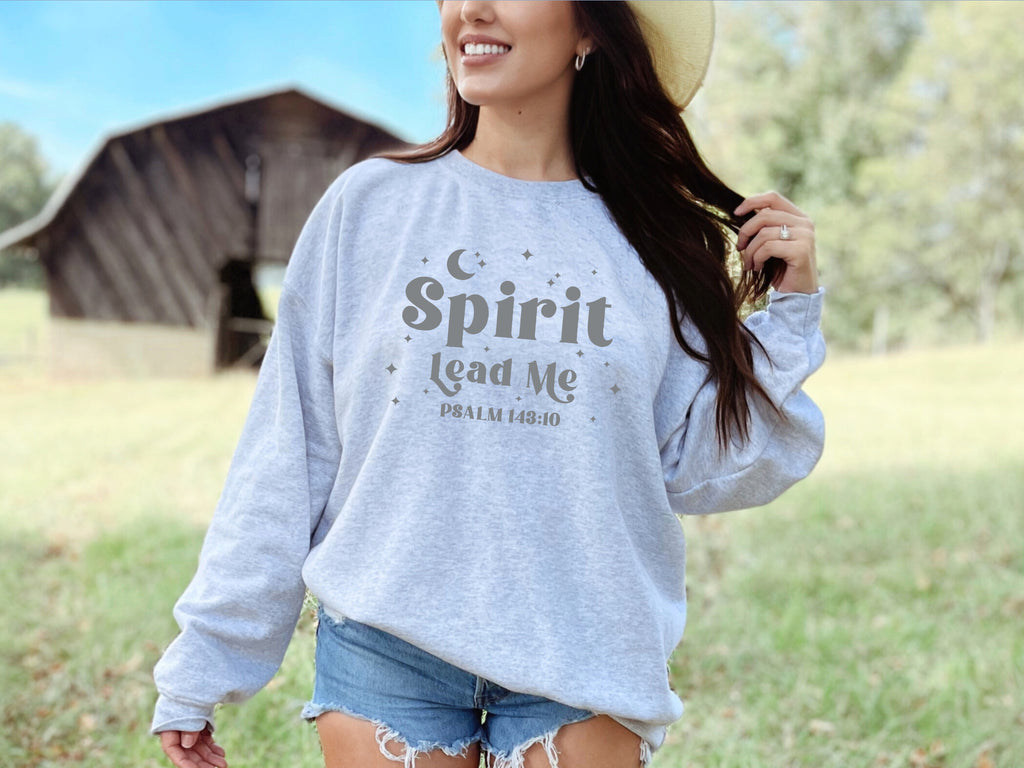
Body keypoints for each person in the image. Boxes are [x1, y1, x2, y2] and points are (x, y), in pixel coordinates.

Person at [151, 2, 825, 767]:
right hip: (386, 643)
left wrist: (789, 320)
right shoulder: (368, 208)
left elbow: (698, 468)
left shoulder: (658, 238)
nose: (470, 7)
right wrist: (208, 657)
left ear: (590, 27)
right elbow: (288, 448)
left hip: (586, 648)